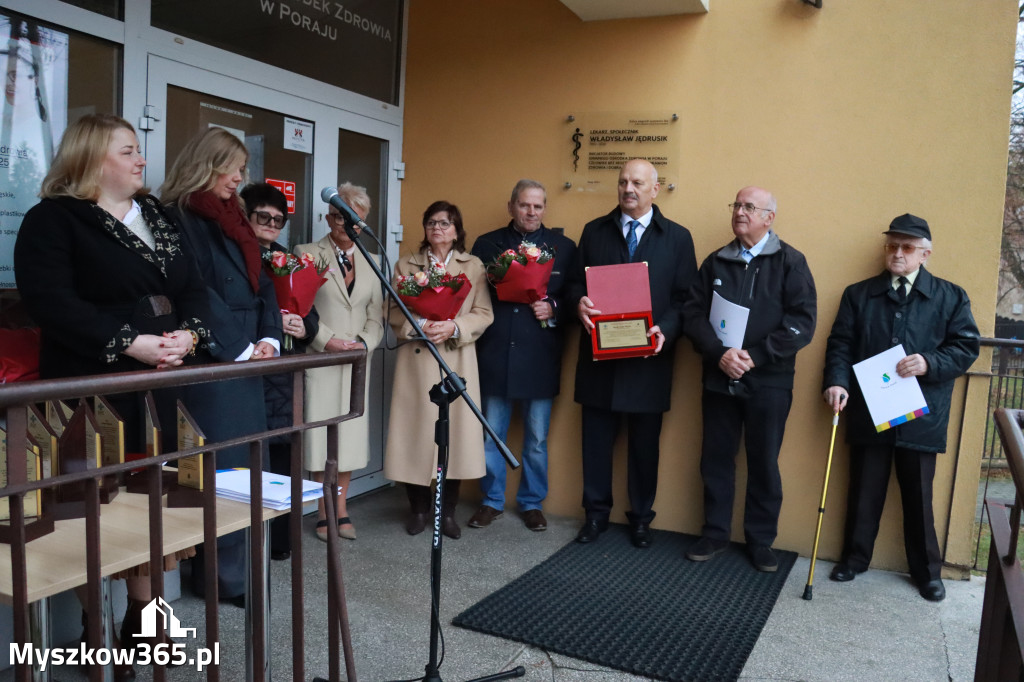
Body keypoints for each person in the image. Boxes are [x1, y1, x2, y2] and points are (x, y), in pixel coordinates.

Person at [14, 113, 211, 680]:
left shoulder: (159, 216)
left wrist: (189, 335)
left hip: (157, 386)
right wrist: (129, 342)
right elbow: (51, 302)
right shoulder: (53, 220)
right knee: (86, 511)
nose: (141, 159)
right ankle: (94, 627)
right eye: (128, 150)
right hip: (88, 390)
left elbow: (194, 285)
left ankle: (142, 618)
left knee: (149, 503)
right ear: (92, 158)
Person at [823, 214, 979, 601]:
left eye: (907, 248)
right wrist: (837, 381)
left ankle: (928, 573)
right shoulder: (858, 294)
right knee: (863, 490)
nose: (897, 253)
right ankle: (854, 560)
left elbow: (965, 347)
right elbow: (840, 343)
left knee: (918, 497)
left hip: (921, 415)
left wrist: (929, 363)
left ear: (924, 254)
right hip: (869, 411)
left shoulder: (950, 296)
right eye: (892, 245)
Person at [160, 127, 282, 606]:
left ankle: (240, 574)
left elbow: (264, 282)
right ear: (206, 163)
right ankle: (220, 580)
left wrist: (269, 337)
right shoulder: (177, 217)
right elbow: (196, 292)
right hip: (215, 360)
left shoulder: (233, 218)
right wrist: (239, 347)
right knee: (222, 472)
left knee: (248, 469)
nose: (239, 177)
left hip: (246, 357)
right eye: (231, 166)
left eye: (242, 168)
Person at [682, 186, 817, 572]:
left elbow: (802, 323)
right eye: (737, 205)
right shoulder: (715, 262)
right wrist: (719, 354)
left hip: (770, 381)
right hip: (718, 376)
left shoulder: (792, 262)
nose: (740, 212)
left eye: (749, 207)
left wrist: (755, 357)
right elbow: (692, 315)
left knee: (764, 461)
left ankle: (760, 540)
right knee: (716, 458)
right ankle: (714, 532)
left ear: (769, 218)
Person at [566, 159, 697, 548]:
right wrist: (578, 305)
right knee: (596, 445)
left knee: (644, 449)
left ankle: (641, 519)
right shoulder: (594, 231)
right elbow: (573, 285)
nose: (629, 189)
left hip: (648, 361)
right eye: (623, 182)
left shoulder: (677, 238)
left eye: (638, 183)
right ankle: (595, 516)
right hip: (599, 361)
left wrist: (667, 330)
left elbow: (685, 299)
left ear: (655, 189)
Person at [468, 179, 576, 532]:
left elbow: (576, 298)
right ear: (511, 205)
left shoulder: (563, 247)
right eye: (525, 205)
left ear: (545, 209)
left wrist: (554, 307)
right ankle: (491, 501)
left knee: (537, 440)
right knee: (491, 435)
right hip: (496, 352)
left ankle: (532, 503)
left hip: (540, 355)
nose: (532, 212)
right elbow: (474, 297)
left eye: (538, 206)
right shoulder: (487, 244)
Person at [384, 201, 493, 539]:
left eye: (445, 223)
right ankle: (417, 509)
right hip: (416, 361)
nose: (437, 228)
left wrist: (454, 326)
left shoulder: (473, 265)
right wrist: (420, 324)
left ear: (457, 229)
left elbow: (483, 312)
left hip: (455, 359)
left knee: (455, 438)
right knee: (412, 435)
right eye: (431, 222)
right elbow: (392, 309)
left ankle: (446, 514)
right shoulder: (406, 263)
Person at [294, 182, 384, 542]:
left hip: (356, 360)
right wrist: (325, 340)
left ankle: (341, 507)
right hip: (320, 358)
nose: (344, 224)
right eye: (337, 216)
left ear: (363, 221)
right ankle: (322, 510)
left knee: (348, 437)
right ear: (328, 217)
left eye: (353, 218)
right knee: (320, 438)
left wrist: (363, 344)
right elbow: (300, 307)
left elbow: (377, 312)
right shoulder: (307, 252)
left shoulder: (373, 261)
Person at [240, 181, 320, 558]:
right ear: (247, 215)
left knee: (285, 460)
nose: (272, 224)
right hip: (249, 369)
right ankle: (249, 551)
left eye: (278, 219)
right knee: (252, 462)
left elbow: (311, 313)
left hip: (285, 375)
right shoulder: (238, 255)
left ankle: (282, 544)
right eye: (263, 217)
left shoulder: (287, 259)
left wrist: (303, 326)